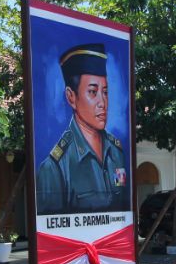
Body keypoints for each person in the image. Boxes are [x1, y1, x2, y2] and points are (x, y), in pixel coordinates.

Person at [36, 43, 129, 215]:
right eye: (93, 92)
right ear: (71, 97)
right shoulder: (55, 168)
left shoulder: (116, 153)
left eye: (105, 92)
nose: (103, 102)